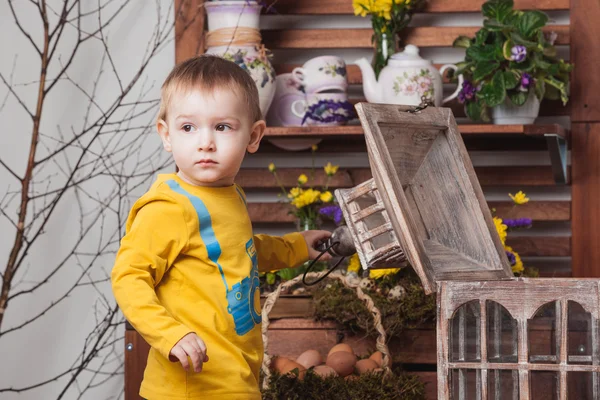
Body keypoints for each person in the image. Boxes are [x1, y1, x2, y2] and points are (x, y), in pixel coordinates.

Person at [111, 55, 332, 399]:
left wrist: (298, 245)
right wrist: (171, 335)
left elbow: (239, 252)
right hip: (190, 387)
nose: (206, 142)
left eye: (222, 127)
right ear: (166, 135)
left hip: (234, 377)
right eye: (188, 128)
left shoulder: (229, 195)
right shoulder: (168, 207)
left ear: (253, 136)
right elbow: (128, 278)